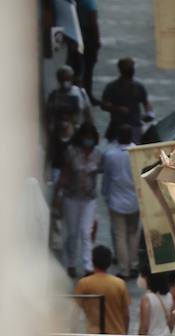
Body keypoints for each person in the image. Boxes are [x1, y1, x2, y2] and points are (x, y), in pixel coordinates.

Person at [56, 123, 101, 278]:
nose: (88, 141)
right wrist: (57, 194)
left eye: (90, 138)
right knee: (73, 233)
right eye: (85, 137)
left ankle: (88, 265)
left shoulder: (98, 155)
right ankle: (71, 263)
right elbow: (64, 174)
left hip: (89, 199)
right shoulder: (71, 153)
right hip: (71, 197)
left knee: (86, 231)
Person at [100, 125, 139, 278]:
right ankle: (134, 264)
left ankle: (124, 269)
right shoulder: (137, 153)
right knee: (133, 233)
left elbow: (106, 178)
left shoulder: (110, 155)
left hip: (116, 200)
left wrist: (105, 194)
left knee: (120, 235)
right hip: (134, 200)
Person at [45, 65, 92, 181]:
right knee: (59, 162)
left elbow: (88, 113)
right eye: (62, 79)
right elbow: (48, 117)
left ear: (72, 78)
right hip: (59, 135)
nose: (65, 82)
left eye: (67, 78)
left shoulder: (80, 93)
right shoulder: (54, 95)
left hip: (77, 133)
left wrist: (90, 131)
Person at [74, 243, 130, 336]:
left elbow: (75, 313)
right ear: (110, 262)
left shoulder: (84, 284)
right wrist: (124, 335)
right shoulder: (119, 284)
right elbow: (126, 315)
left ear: (92, 261)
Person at [100, 57, 152, 142]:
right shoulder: (112, 87)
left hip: (134, 126)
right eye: (128, 67)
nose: (130, 69)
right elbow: (104, 105)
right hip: (117, 126)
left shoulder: (139, 87)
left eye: (131, 67)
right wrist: (117, 109)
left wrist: (149, 113)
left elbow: (145, 103)